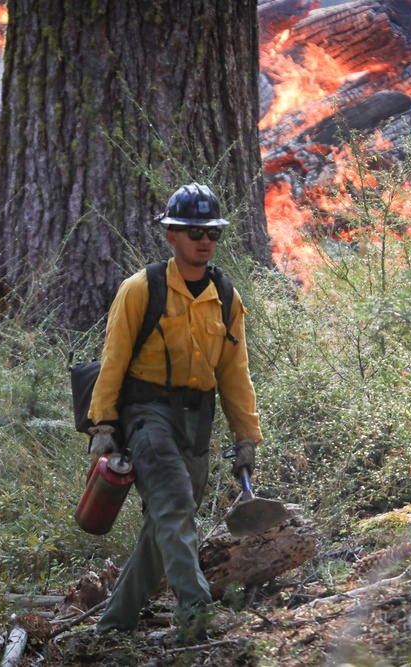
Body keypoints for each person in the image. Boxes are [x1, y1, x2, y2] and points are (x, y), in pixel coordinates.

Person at [86, 182, 263, 637]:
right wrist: (103, 424)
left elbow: (234, 373)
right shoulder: (140, 289)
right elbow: (114, 359)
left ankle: (113, 627)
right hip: (147, 416)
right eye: (193, 231)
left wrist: (246, 436)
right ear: (171, 235)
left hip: (197, 421)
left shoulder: (226, 295)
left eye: (211, 232)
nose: (204, 240)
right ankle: (196, 615)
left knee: (166, 522)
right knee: (176, 504)